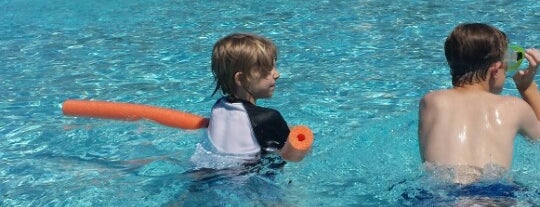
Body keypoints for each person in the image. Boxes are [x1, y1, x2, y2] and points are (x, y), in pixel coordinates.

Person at [418, 23, 540, 184]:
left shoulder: (432, 102)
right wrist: (527, 89)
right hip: (494, 193)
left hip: (440, 194)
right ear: (496, 70)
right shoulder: (513, 107)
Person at [201, 33, 296, 163]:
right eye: (267, 69)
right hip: (248, 179)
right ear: (240, 79)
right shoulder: (268, 118)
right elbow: (292, 155)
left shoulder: (218, 107)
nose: (277, 74)